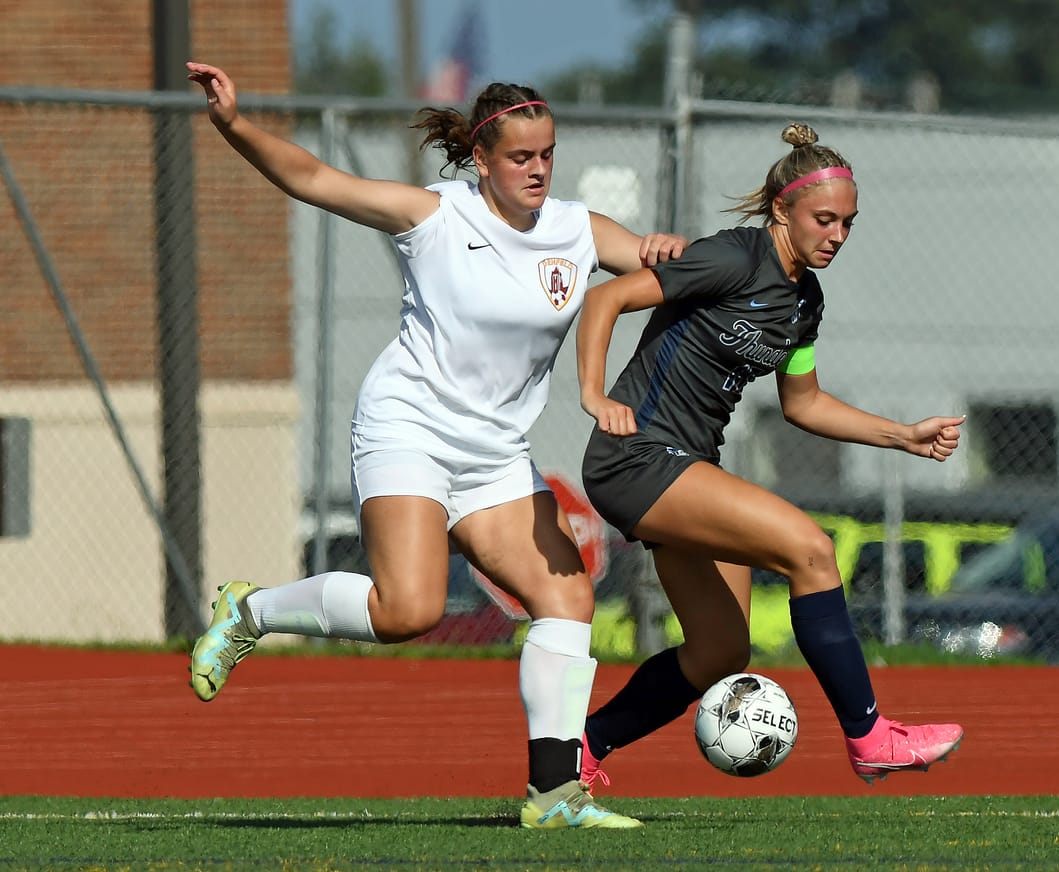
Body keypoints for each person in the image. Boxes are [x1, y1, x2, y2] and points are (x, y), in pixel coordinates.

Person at [183, 61, 686, 830]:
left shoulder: (576, 230)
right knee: (408, 610)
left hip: (493, 455)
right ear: (481, 160)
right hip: (407, 427)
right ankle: (250, 612)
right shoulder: (436, 215)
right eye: (521, 157)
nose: (538, 168)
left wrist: (667, 249)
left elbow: (664, 269)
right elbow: (314, 178)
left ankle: (554, 796)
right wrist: (234, 124)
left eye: (547, 153)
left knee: (566, 596)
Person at [573, 123, 965, 789]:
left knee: (721, 651)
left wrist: (902, 435)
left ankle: (580, 747)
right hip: (635, 458)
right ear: (782, 211)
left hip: (684, 465)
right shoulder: (734, 257)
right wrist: (591, 393)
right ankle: (871, 737)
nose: (837, 235)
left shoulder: (804, 303)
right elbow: (607, 296)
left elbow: (804, 403)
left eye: (847, 222)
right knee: (810, 549)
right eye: (823, 219)